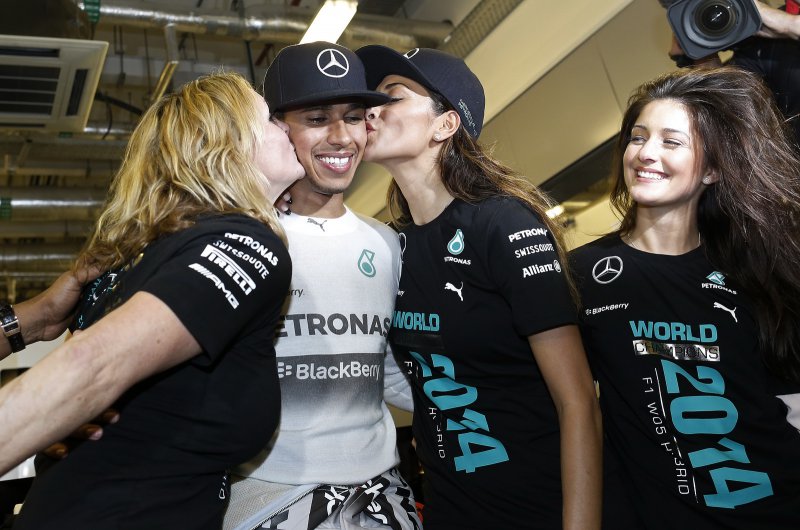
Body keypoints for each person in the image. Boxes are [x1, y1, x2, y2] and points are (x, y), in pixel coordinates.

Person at [0, 71, 304, 529]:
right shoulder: (243, 242)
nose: (285, 127)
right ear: (228, 147)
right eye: (268, 119)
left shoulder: (138, 259)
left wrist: (37, 320)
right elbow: (91, 363)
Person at [356, 45, 603, 530]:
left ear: (445, 124)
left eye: (392, 96)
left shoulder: (504, 224)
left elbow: (578, 403)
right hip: (452, 510)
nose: (372, 110)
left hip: (538, 508)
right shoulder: (389, 246)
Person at [571, 66, 800, 529]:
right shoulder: (581, 275)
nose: (645, 153)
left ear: (712, 169)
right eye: (638, 138)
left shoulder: (754, 269)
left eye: (671, 142)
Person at [223, 42, 420, 530]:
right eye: (316, 119)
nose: (341, 137)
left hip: (382, 493)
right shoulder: (240, 239)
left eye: (353, 117)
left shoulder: (386, 243)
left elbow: (384, 370)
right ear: (277, 129)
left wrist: (494, 399)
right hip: (270, 497)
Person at [663, 0, 800, 144]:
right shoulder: (759, 44)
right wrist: (699, 47)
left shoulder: (778, 22)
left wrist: (787, 24)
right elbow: (732, 116)